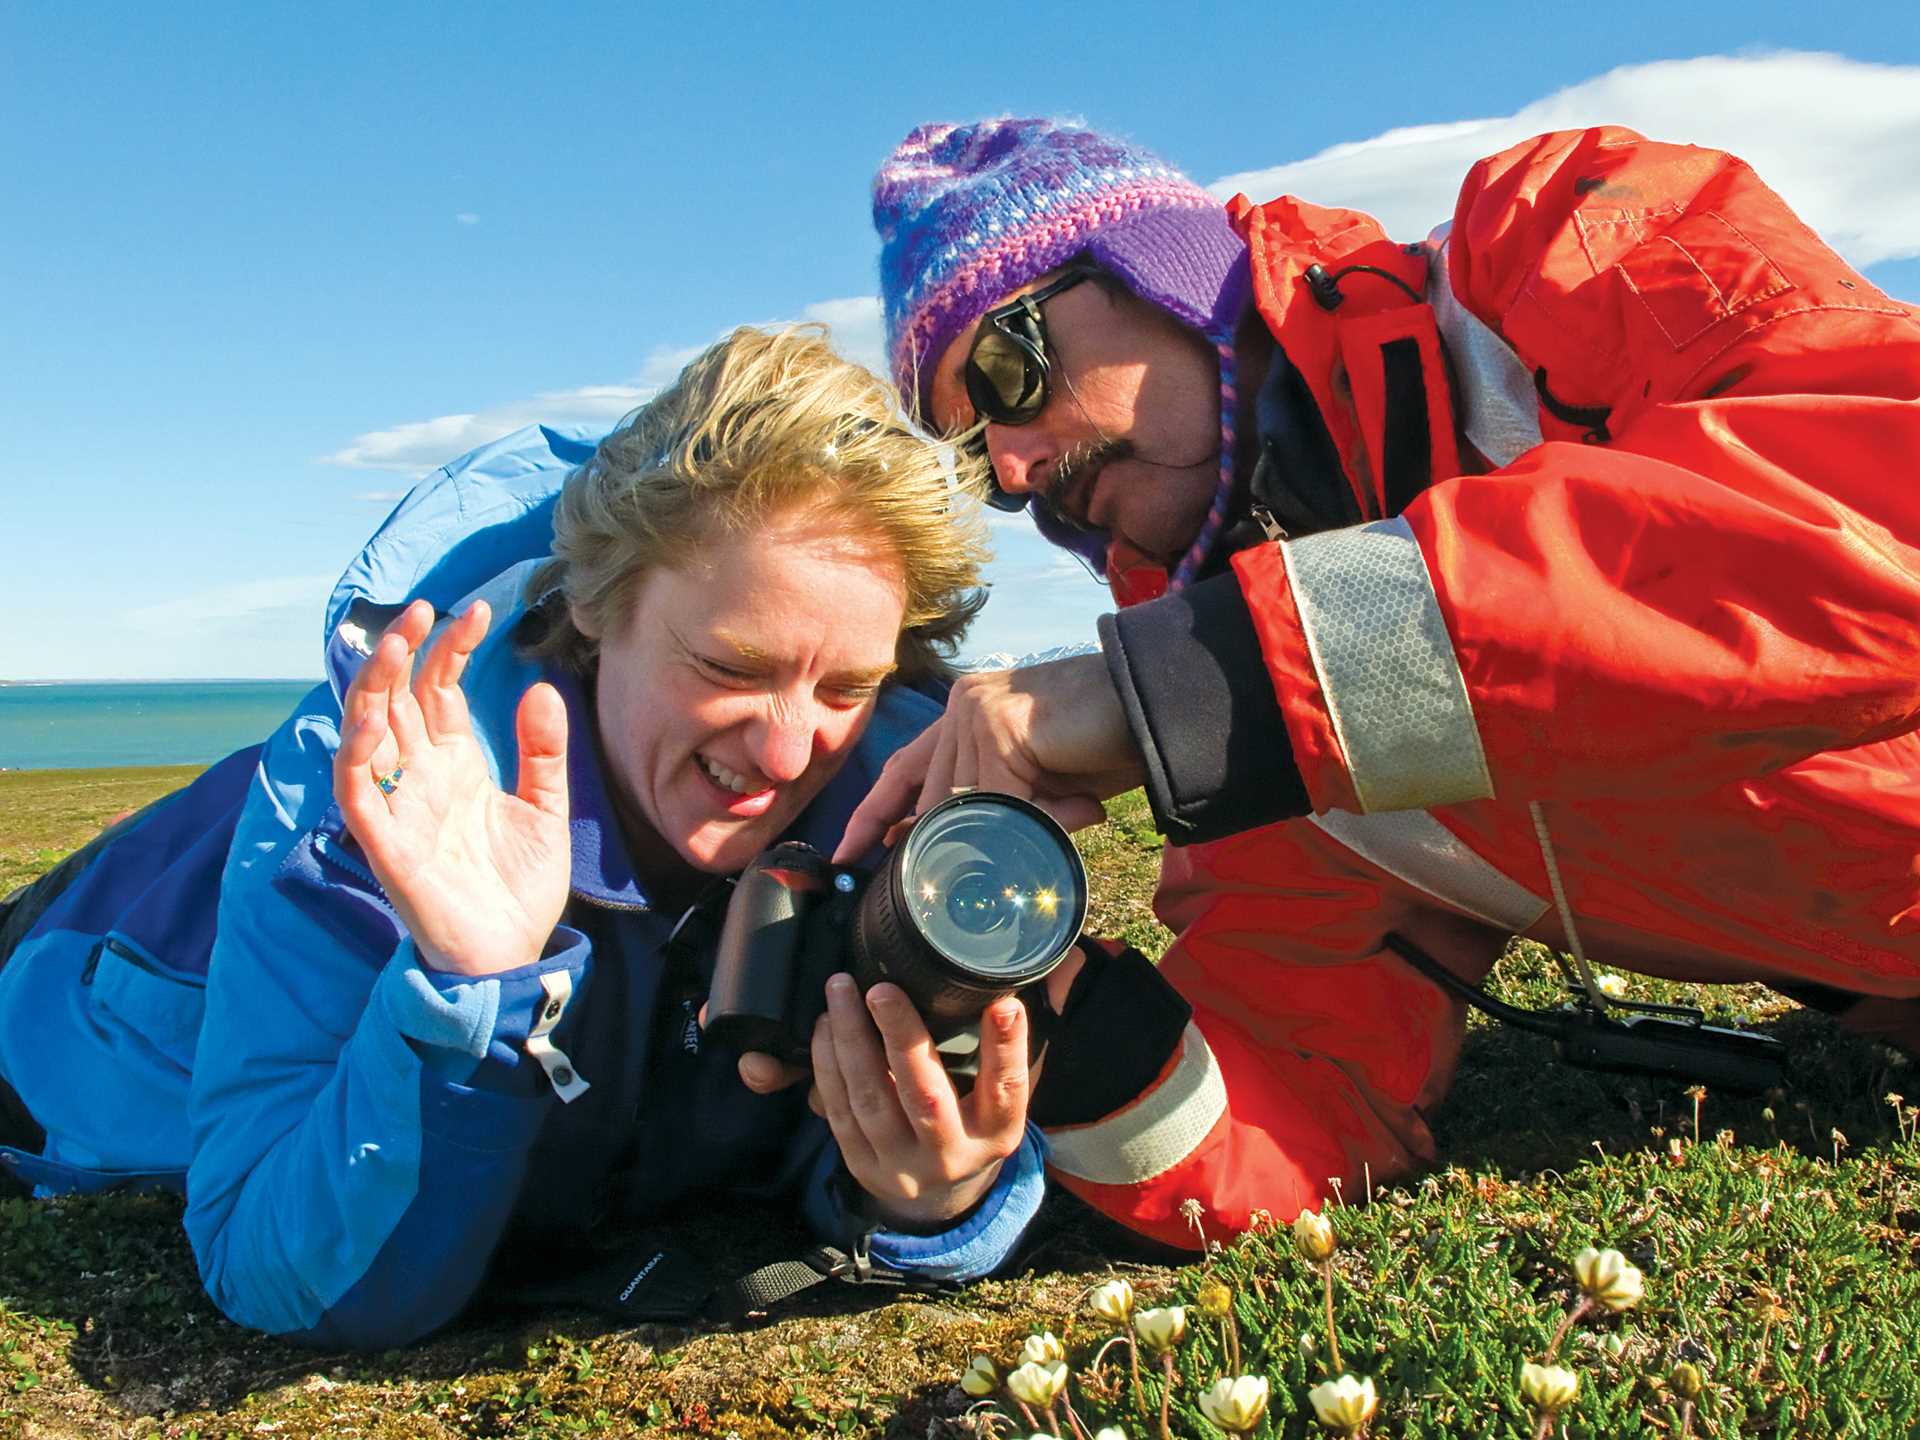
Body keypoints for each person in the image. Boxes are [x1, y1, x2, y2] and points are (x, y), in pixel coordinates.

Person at [843, 118, 1920, 1252]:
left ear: (1154, 269)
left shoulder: (1559, 228)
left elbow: (1875, 505)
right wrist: (1052, 1034)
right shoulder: (1251, 730)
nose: (1014, 469)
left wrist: (1201, 689)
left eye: (1011, 371)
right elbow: (1302, 1085)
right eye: (976, 458)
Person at [0, 326, 1049, 1346]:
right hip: (98, 951)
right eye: (730, 667)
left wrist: (923, 1193)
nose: (787, 756)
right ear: (593, 601)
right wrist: (469, 988)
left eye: (848, 686)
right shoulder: (365, 804)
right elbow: (266, 1261)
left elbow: (827, 1140)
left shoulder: (903, 819)